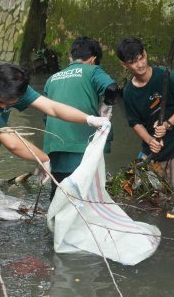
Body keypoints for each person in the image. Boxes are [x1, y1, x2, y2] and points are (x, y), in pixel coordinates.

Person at [0, 63, 110, 240]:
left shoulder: (15, 85)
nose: (2, 106)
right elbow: (12, 143)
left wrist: (89, 119)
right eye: (0, 101)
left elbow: (52, 108)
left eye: (8, 104)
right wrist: (43, 158)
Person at [43, 37, 119, 200]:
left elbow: (45, 115)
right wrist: (106, 104)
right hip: (81, 147)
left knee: (58, 196)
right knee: (84, 197)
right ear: (93, 59)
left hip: (54, 146)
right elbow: (112, 88)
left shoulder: (51, 79)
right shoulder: (93, 70)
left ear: (71, 58)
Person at [116, 37, 174, 196]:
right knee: (155, 194)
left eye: (141, 57)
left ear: (145, 53)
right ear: (124, 64)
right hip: (154, 146)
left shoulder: (167, 75)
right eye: (133, 62)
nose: (140, 64)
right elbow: (135, 123)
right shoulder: (128, 92)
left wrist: (167, 125)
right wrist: (150, 141)